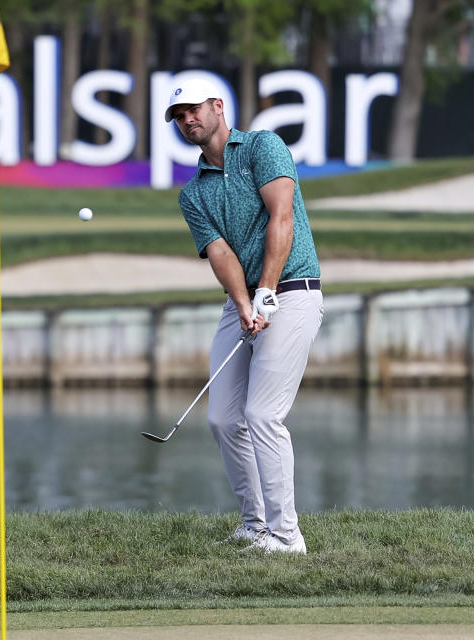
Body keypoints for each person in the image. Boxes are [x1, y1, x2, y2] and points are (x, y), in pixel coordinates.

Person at [164, 77, 324, 554]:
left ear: (217, 106)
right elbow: (220, 253)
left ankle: (286, 535)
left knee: (262, 413)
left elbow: (283, 217)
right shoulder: (193, 194)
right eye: (178, 116)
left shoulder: (263, 147)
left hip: (292, 290)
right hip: (246, 299)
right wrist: (242, 302)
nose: (187, 120)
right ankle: (256, 525)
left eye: (193, 109)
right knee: (224, 418)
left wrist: (268, 291)